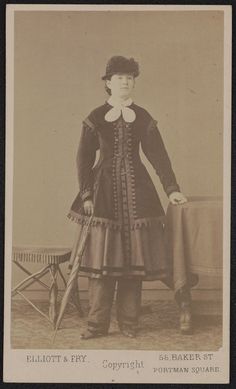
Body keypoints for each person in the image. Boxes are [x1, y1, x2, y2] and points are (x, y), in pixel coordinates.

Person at [68, 56, 190, 339]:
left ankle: (129, 323)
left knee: (133, 264)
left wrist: (172, 189)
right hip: (102, 196)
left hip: (139, 195)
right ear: (108, 84)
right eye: (119, 77)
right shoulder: (96, 116)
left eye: (129, 77)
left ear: (133, 82)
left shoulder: (143, 116)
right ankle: (96, 325)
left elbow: (158, 156)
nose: (125, 81)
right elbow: (83, 159)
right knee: (101, 265)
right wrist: (86, 193)